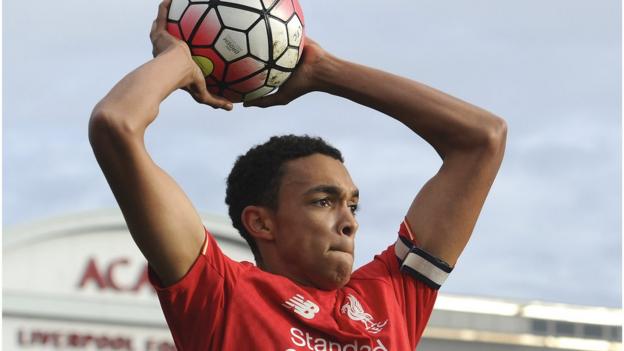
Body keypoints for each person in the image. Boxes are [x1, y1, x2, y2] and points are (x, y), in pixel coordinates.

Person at [89, 1, 507, 350]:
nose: (350, 222)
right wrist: (180, 58)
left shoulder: (389, 299)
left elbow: (482, 139)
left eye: (353, 204)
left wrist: (326, 71)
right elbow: (116, 124)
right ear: (261, 221)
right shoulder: (221, 296)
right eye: (323, 201)